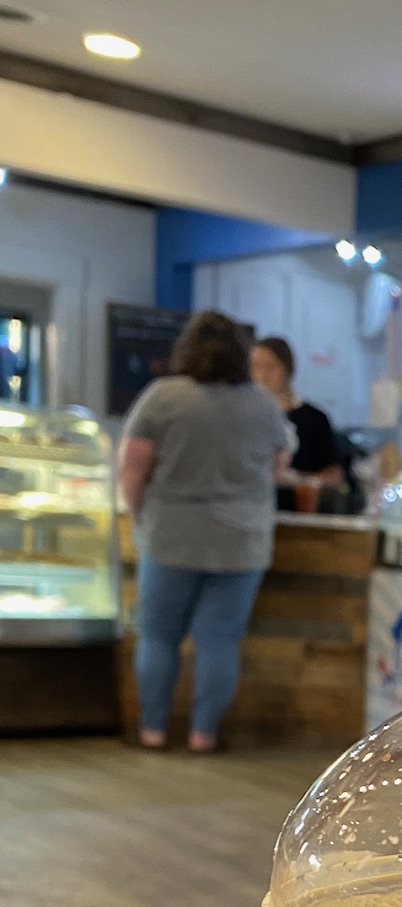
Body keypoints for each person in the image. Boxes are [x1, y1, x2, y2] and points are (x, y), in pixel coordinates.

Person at [116, 309, 292, 751]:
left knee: (159, 635)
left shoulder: (163, 397)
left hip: (172, 533)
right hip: (242, 540)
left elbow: (131, 466)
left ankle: (153, 730)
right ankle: (203, 734)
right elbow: (278, 465)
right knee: (219, 640)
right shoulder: (262, 404)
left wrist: (137, 512)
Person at [249, 335, 353, 509]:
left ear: (288, 369)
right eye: (255, 367)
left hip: (300, 513)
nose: (262, 375)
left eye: (269, 367)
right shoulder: (246, 418)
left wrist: (300, 481)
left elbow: (334, 474)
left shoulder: (314, 419)